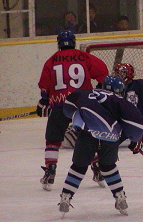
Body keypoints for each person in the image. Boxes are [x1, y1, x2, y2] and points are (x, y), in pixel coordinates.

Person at [64, 63, 143, 187]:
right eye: (118, 73)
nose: (120, 76)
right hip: (115, 126)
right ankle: (97, 163)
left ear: (130, 75)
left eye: (123, 74)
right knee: (103, 146)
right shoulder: (107, 87)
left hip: (137, 124)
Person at [58, 76, 143, 216]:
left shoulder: (85, 92)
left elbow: (68, 107)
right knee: (108, 165)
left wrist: (78, 118)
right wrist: (134, 139)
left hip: (88, 133)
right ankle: (119, 196)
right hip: (110, 136)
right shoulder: (120, 100)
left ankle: (66, 197)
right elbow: (137, 124)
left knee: (79, 166)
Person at [37, 30, 108, 191]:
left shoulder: (52, 60)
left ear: (59, 43)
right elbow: (102, 71)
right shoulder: (84, 56)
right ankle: (97, 169)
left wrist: (44, 100)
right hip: (83, 104)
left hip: (60, 104)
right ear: (74, 42)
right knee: (88, 138)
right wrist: (99, 87)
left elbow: (44, 85)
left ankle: (50, 171)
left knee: (53, 139)